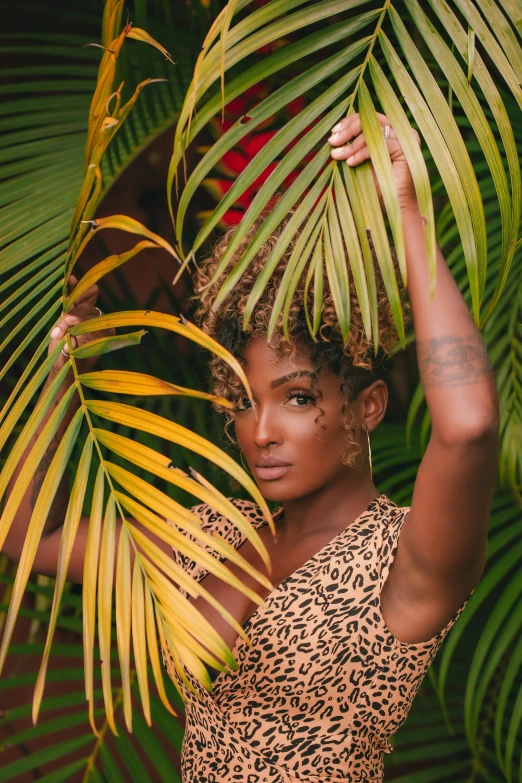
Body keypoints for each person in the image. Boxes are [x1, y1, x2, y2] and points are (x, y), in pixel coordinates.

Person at [3, 111, 499, 782]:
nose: (260, 429)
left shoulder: (405, 559)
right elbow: (28, 530)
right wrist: (66, 382)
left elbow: (467, 425)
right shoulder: (210, 530)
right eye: (241, 400)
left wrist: (407, 205)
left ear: (367, 406)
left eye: (296, 398)